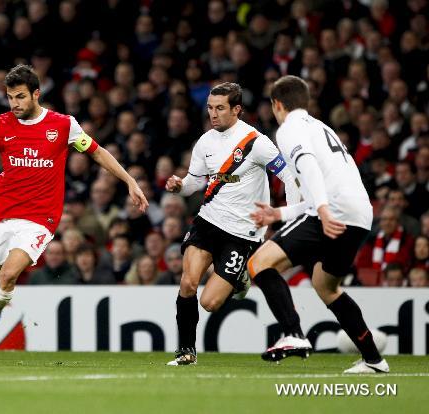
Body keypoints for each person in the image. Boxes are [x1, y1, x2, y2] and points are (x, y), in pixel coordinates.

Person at [0, 64, 148, 345]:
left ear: (36, 94)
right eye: (10, 97)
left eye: (20, 96)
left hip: (39, 217)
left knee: (8, 275)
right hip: (0, 212)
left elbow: (97, 153)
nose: (14, 103)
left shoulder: (63, 125)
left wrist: (130, 180)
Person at [248, 75, 389, 374]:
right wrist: (281, 214)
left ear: (277, 105)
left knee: (259, 264)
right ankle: (374, 360)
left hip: (332, 210)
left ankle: (293, 334)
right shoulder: (321, 127)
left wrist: (324, 209)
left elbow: (308, 166)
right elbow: (320, 189)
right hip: (360, 215)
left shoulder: (289, 128)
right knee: (326, 285)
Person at [164, 82, 300, 365]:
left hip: (242, 233)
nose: (213, 114)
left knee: (209, 303)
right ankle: (186, 351)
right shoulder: (205, 142)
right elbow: (194, 183)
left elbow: (289, 176)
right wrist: (180, 185)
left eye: (220, 108)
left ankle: (241, 277)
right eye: (210, 108)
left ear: (236, 109)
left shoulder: (256, 142)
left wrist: (291, 212)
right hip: (209, 221)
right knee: (188, 283)